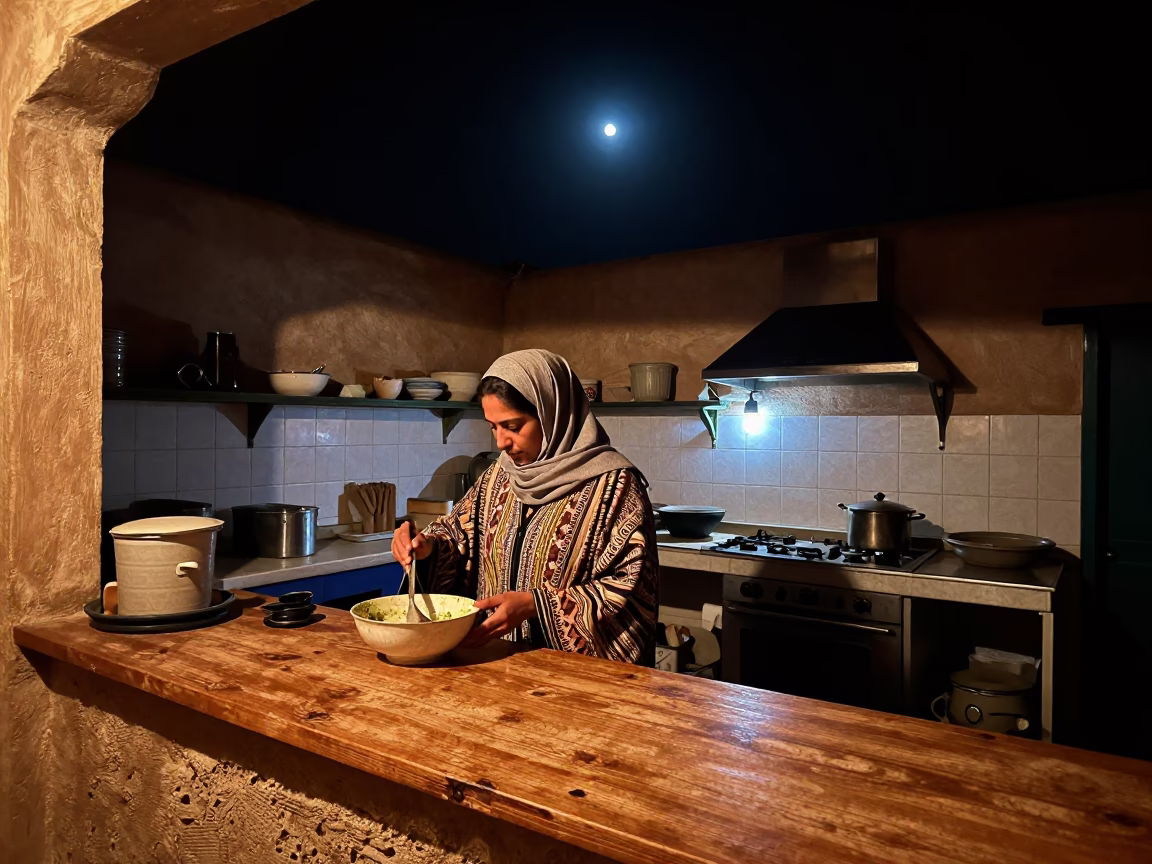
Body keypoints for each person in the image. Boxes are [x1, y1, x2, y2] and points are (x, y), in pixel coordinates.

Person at [391, 349, 658, 665]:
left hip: (578, 684)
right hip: (498, 666)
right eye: (493, 426)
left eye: (513, 426)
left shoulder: (615, 487)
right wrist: (427, 548)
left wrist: (537, 606)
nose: (501, 442)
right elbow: (458, 534)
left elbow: (630, 591)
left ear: (551, 414)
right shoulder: (499, 475)